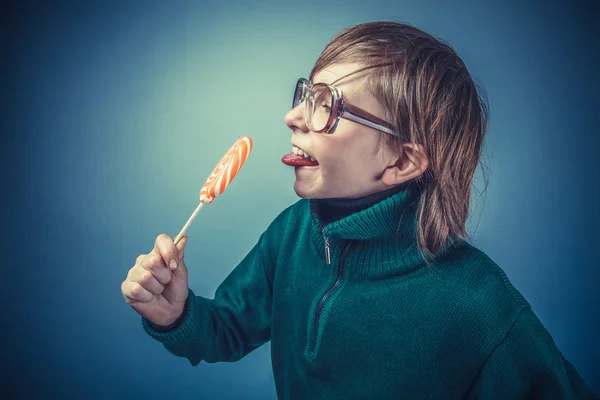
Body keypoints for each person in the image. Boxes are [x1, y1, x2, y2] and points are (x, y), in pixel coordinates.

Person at [121, 21, 597, 399]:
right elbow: (224, 330)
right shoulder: (290, 235)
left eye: (327, 106)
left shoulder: (480, 305)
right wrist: (176, 314)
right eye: (307, 94)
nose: (294, 116)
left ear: (403, 160)